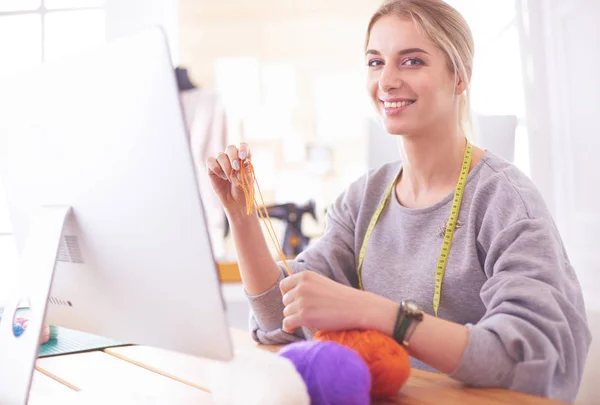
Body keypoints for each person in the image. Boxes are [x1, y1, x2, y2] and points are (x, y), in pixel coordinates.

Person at [205, 0, 591, 402]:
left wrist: (377, 313)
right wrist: (243, 218)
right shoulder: (363, 200)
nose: (386, 81)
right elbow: (279, 322)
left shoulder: (504, 200)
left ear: (459, 77)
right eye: (375, 62)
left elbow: (529, 357)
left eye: (411, 61)